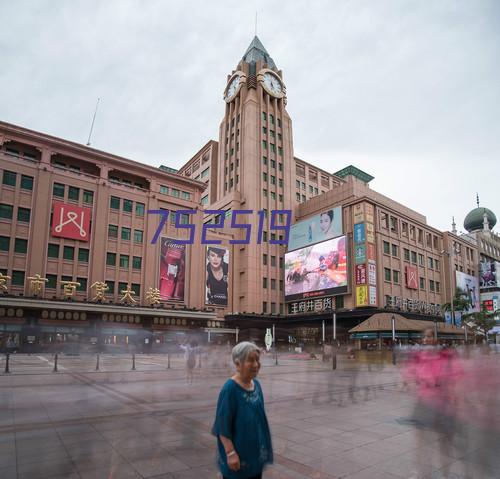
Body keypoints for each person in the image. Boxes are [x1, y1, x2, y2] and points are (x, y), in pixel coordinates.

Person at [212, 342, 273, 479]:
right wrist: (230, 453)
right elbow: (222, 425)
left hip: (255, 454)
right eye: (251, 360)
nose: (256, 364)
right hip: (237, 457)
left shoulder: (256, 385)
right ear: (238, 364)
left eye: (257, 360)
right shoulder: (230, 389)